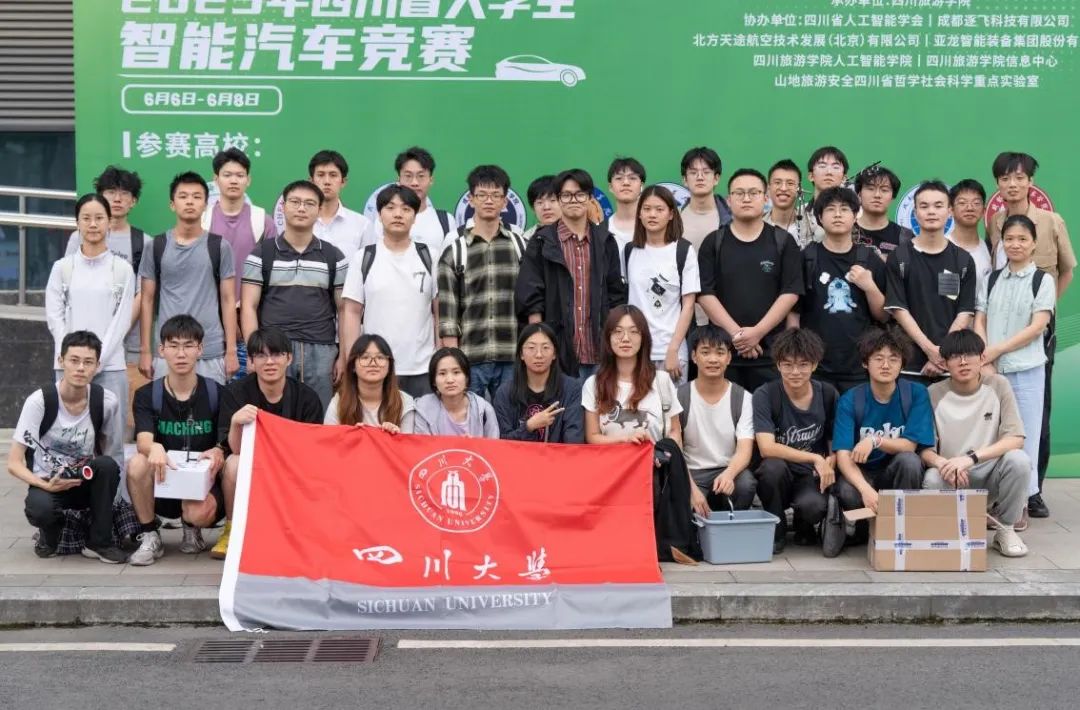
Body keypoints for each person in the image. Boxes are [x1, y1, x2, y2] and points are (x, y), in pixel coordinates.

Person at [986, 152, 1074, 519]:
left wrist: (1044, 309)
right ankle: (1003, 487)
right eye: (1005, 178)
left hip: (1036, 332)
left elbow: (1067, 269)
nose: (1012, 184)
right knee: (998, 413)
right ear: (998, 184)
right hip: (999, 333)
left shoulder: (1052, 221)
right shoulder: (995, 222)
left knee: (1037, 411)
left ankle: (1033, 491)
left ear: (1031, 182)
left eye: (1019, 177)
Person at [581, 305, 699, 563]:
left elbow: (674, 432)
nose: (625, 338)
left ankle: (657, 546)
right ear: (608, 338)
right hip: (611, 468)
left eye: (633, 332)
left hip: (654, 466)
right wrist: (625, 439)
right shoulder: (594, 384)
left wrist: (669, 460)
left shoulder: (661, 381)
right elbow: (592, 436)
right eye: (618, 332)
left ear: (643, 338)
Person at [8, 331, 126, 563]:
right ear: (61, 361)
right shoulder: (39, 401)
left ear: (97, 366)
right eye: (74, 360)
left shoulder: (106, 401)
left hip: (84, 480)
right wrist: (45, 485)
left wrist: (111, 496)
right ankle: (50, 534)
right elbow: (13, 462)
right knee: (40, 509)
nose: (80, 368)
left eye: (88, 362)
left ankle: (99, 542)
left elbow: (113, 453)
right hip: (48, 483)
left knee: (107, 465)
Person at [212, 328, 325, 560]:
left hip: (292, 467)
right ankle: (231, 530)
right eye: (261, 355)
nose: (270, 362)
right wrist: (235, 422)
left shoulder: (307, 397)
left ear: (289, 358)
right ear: (251, 361)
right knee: (233, 464)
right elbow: (235, 450)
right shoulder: (235, 393)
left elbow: (312, 451)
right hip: (253, 463)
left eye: (276, 354)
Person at [125, 316, 226, 565]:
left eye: (188, 345)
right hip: (165, 481)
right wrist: (154, 447)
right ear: (162, 350)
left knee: (198, 512)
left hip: (202, 484)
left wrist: (218, 449)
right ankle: (151, 535)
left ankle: (192, 527)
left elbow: (225, 441)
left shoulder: (216, 392)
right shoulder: (147, 394)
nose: (181, 354)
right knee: (137, 463)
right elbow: (143, 440)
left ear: (200, 349)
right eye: (173, 346)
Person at [975, 214, 1054, 529]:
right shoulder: (991, 279)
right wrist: (985, 355)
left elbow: (1037, 326)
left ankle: (1020, 503)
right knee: (992, 435)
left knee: (1026, 436)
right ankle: (993, 499)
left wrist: (997, 350)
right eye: (1009, 239)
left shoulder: (1042, 280)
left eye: (1023, 239)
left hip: (1026, 371)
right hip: (992, 371)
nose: (1015, 244)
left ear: (1034, 244)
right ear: (1001, 243)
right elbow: (980, 318)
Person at [240, 180, 347, 410]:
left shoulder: (333, 256)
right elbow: (248, 306)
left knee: (318, 416)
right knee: (274, 417)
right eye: (295, 202)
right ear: (283, 207)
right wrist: (254, 352)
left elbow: (345, 310)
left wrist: (344, 356)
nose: (301, 208)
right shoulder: (261, 254)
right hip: (273, 350)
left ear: (319, 209)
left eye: (309, 203)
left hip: (321, 351)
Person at [922, 330, 1030, 558]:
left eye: (970, 355)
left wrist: (970, 459)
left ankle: (1006, 530)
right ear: (944, 363)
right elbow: (925, 449)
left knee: (1019, 461)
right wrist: (944, 464)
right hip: (951, 477)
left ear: (982, 358)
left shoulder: (999, 385)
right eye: (955, 356)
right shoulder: (933, 393)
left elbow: (1016, 438)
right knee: (931, 478)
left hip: (990, 474)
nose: (963, 362)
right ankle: (946, 532)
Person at [697, 168, 803, 392]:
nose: (746, 198)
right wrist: (738, 336)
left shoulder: (783, 242)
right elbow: (705, 294)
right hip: (723, 355)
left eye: (753, 193)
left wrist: (757, 333)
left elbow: (790, 292)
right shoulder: (713, 242)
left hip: (771, 354)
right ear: (729, 200)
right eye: (739, 193)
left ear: (765, 198)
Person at [515, 168, 626, 379]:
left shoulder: (605, 241)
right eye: (566, 195)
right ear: (559, 199)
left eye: (580, 194)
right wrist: (540, 345)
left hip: (599, 351)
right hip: (557, 353)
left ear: (590, 198)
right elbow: (531, 298)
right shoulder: (541, 242)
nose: (573, 200)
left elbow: (615, 296)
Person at [64, 166, 149, 427]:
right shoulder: (77, 238)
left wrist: (117, 330)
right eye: (111, 191)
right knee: (77, 420)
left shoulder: (143, 241)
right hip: (82, 343)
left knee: (121, 424)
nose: (118, 198)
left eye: (125, 193)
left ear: (134, 201)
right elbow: (69, 288)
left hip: (127, 346)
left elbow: (142, 294)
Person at [46, 194, 135, 437]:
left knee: (111, 439)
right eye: (86, 218)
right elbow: (54, 317)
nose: (93, 224)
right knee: (67, 437)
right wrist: (72, 358)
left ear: (109, 222)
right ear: (77, 223)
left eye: (99, 218)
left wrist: (96, 361)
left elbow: (121, 321)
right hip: (68, 366)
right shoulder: (62, 268)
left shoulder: (122, 269)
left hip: (111, 366)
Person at [139, 171, 238, 384]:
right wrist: (145, 350)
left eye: (196, 196)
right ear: (172, 204)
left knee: (212, 405)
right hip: (167, 351)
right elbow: (146, 300)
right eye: (183, 196)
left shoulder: (219, 246)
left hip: (210, 350)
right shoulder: (155, 246)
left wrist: (231, 351)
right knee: (166, 406)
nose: (190, 202)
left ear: (205, 204)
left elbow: (228, 299)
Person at [341, 184, 438, 398]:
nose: (398, 214)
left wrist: (440, 359)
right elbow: (352, 312)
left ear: (415, 217)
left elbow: (438, 311)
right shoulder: (364, 257)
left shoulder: (430, 256)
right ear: (379, 214)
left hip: (422, 367)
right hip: (375, 367)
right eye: (390, 208)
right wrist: (352, 360)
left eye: (406, 209)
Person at [438, 165, 524, 400]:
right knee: (467, 418)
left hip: (512, 355)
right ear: (471, 199)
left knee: (510, 418)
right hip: (470, 358)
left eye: (496, 195)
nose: (489, 201)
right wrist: (453, 360)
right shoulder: (455, 251)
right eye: (482, 195)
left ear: (505, 201)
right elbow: (448, 314)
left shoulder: (520, 246)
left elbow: (531, 304)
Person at [753, 328, 838, 554]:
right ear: (778, 365)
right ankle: (776, 529)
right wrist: (814, 458)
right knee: (771, 468)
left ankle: (804, 523)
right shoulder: (766, 394)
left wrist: (830, 462)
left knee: (813, 506)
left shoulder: (827, 394)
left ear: (814, 365)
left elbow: (834, 441)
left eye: (803, 365)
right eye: (788, 365)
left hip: (811, 474)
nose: (795, 372)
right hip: (780, 471)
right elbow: (766, 447)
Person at [832, 329, 933, 518]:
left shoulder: (916, 393)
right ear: (865, 363)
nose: (886, 365)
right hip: (863, 472)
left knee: (910, 461)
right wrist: (865, 489)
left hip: (895, 471)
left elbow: (910, 446)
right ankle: (862, 529)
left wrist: (874, 440)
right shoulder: (850, 399)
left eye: (893, 359)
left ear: (902, 364)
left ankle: (904, 523)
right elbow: (843, 455)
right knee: (848, 491)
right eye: (878, 359)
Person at [794, 187, 887, 393]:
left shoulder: (869, 259)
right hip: (815, 366)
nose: (837, 214)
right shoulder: (807, 257)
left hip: (859, 366)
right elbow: (794, 311)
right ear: (820, 217)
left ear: (855, 216)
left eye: (844, 209)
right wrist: (796, 354)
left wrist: (870, 286)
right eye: (830, 209)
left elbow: (883, 315)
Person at [885, 180, 977, 384]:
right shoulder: (899, 257)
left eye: (938, 205)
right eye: (924, 206)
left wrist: (943, 354)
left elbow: (965, 312)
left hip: (952, 367)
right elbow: (899, 309)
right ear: (915, 212)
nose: (931, 212)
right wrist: (930, 350)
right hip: (908, 367)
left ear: (950, 211)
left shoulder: (963, 260)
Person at [624, 184, 699, 385]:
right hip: (635, 350)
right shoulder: (630, 250)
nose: (652, 215)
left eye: (659, 209)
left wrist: (673, 349)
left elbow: (688, 305)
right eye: (647, 209)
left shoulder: (683, 250)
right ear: (639, 214)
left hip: (671, 351)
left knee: (672, 404)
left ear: (671, 214)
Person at [677, 325, 756, 513]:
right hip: (691, 472)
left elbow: (744, 450)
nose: (713, 359)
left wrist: (729, 473)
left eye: (720, 353)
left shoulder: (743, 398)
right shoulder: (679, 397)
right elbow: (675, 448)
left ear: (728, 358)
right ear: (694, 356)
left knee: (746, 484)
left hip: (727, 469)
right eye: (705, 352)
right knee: (680, 498)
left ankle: (732, 526)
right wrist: (690, 488)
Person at [493, 322, 583, 443]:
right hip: (519, 455)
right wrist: (529, 426)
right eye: (531, 348)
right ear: (521, 354)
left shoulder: (571, 389)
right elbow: (502, 442)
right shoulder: (505, 393)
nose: (539, 355)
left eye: (545, 348)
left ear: (554, 353)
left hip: (558, 455)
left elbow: (574, 439)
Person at [370, 146, 458, 260]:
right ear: (398, 179)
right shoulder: (384, 219)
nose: (414, 183)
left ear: (431, 180)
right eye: (408, 176)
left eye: (421, 176)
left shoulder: (446, 221)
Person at [325, 334, 415, 433]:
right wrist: (350, 435)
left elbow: (408, 442)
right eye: (365, 357)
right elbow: (329, 439)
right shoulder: (339, 402)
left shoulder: (404, 402)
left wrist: (395, 437)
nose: (373, 363)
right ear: (353, 366)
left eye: (380, 358)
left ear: (389, 365)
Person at [414, 348, 499, 438]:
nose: (450, 380)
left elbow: (494, 445)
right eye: (442, 373)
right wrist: (456, 445)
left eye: (456, 372)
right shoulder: (423, 409)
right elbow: (422, 445)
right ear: (434, 381)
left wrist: (474, 445)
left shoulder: (484, 410)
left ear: (466, 377)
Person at [309, 149, 374, 263]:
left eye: (333, 175)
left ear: (343, 182)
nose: (327, 181)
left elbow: (368, 267)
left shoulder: (362, 225)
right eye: (321, 175)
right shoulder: (299, 221)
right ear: (311, 181)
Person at [678, 146, 732, 254]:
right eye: (693, 173)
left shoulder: (732, 218)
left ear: (716, 178)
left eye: (706, 172)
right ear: (685, 180)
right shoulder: (673, 219)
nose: (700, 177)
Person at [853, 165, 912, 257]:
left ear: (892, 196)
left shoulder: (906, 238)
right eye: (871, 189)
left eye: (884, 190)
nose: (877, 195)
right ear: (859, 194)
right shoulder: (844, 232)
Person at [948, 179, 993, 294]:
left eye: (976, 203)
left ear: (984, 211)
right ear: (951, 210)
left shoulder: (990, 249)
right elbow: (946, 296)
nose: (970, 208)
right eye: (962, 203)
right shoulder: (943, 248)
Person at [801, 146, 850, 245]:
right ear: (811, 176)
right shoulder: (799, 213)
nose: (829, 172)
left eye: (835, 167)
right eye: (822, 166)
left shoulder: (854, 213)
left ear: (844, 178)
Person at [605, 157, 646, 260]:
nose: (626, 183)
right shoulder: (601, 231)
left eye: (632, 178)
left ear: (642, 186)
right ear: (610, 187)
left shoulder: (653, 227)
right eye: (619, 178)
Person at [764, 159, 810, 245]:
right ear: (768, 188)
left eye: (790, 183)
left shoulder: (814, 230)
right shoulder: (755, 228)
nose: (783, 188)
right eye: (777, 182)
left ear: (799, 189)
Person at [523, 175, 560, 241]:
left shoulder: (577, 234)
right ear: (533, 208)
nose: (546, 207)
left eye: (552, 200)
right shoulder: (525, 239)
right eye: (540, 202)